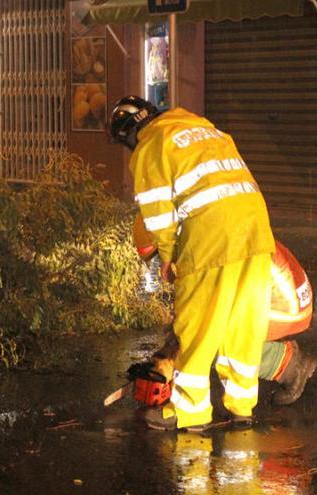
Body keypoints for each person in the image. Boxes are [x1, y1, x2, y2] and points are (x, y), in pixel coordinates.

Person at [109, 95, 275, 431]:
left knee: (198, 324)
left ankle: (190, 411)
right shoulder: (203, 128)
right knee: (243, 323)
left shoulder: (151, 145)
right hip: (257, 230)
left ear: (129, 132)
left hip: (211, 235)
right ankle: (241, 405)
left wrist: (168, 257)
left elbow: (159, 214)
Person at [132, 214, 317, 406]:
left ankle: (290, 366)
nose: (160, 265)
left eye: (158, 257)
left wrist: (170, 361)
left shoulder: (200, 255)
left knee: (212, 336)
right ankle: (280, 357)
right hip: (283, 296)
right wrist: (167, 353)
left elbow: (198, 319)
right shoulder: (202, 234)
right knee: (209, 325)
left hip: (286, 307)